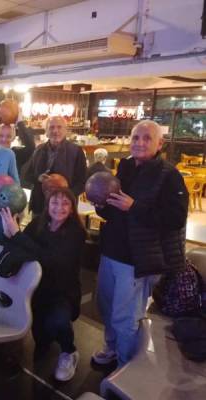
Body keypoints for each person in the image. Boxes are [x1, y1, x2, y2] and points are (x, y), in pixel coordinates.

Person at [92, 120, 188, 367]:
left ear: (160, 143)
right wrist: (102, 206)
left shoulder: (169, 175)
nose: (140, 143)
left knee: (126, 317)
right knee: (105, 307)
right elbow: (115, 211)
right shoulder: (125, 167)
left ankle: (126, 366)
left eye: (147, 138)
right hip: (111, 251)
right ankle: (112, 349)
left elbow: (175, 219)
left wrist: (134, 207)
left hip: (136, 260)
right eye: (136, 138)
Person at [0, 187, 86, 381]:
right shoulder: (38, 223)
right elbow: (21, 248)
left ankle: (69, 351)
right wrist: (8, 232)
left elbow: (54, 260)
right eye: (55, 202)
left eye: (65, 203)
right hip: (36, 289)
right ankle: (46, 339)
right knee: (41, 339)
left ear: (72, 208)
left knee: (58, 321)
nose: (59, 207)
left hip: (63, 292)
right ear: (48, 205)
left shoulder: (77, 232)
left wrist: (17, 235)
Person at [23, 116, 86, 215]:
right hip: (40, 206)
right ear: (46, 131)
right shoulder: (38, 150)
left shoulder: (76, 151)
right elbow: (26, 175)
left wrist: (67, 196)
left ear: (65, 130)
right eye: (51, 127)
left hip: (64, 207)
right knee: (39, 230)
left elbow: (82, 181)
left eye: (59, 127)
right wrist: (38, 178)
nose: (55, 131)